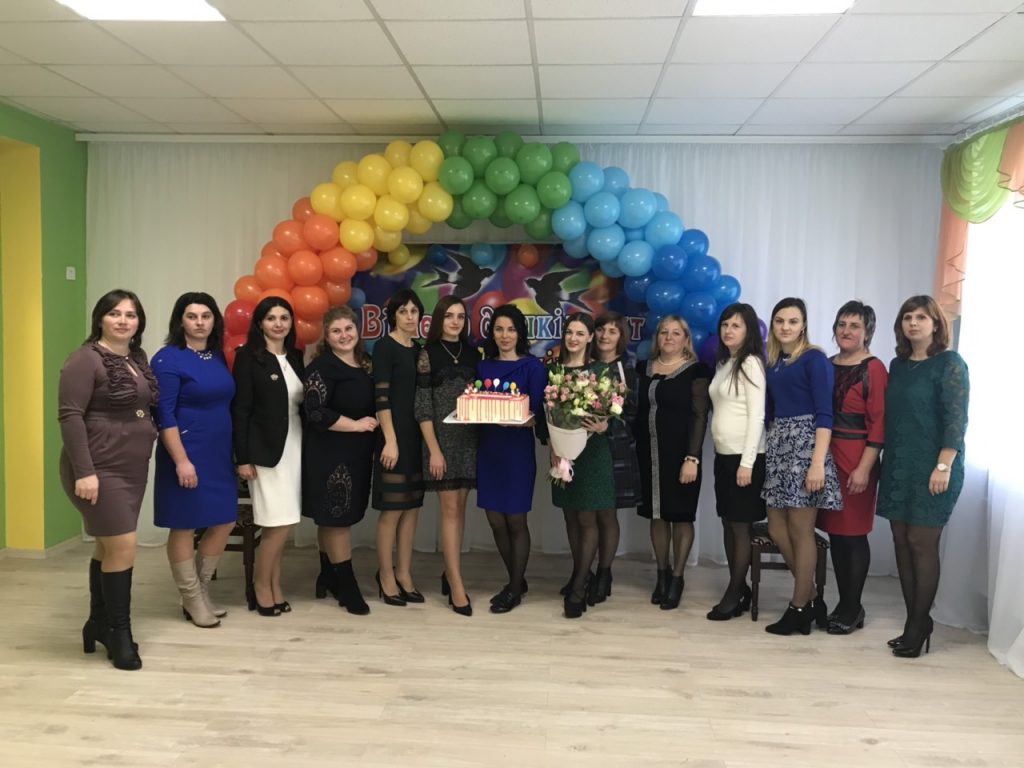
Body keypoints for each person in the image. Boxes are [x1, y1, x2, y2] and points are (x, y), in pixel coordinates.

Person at [58, 289, 159, 671]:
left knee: (107, 546)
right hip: (99, 467)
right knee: (124, 546)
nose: (123, 320)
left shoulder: (135, 358)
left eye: (130, 315)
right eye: (114, 313)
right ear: (100, 318)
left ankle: (97, 623)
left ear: (139, 322)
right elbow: (70, 416)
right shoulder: (84, 359)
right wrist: (85, 472)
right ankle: (119, 632)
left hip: (132, 468)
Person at [877, 295, 969, 658]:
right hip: (899, 463)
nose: (913, 323)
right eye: (907, 317)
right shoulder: (898, 365)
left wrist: (943, 465)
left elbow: (956, 420)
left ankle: (918, 625)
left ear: (935, 324)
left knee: (921, 542)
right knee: (900, 540)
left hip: (936, 466)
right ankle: (914, 621)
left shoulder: (950, 363)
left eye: (921, 317)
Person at [152, 292, 238, 629]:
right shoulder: (167, 359)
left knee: (224, 520)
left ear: (215, 320)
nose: (200, 322)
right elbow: (164, 415)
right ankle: (190, 596)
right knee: (185, 524)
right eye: (192, 316)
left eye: (206, 315)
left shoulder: (216, 356)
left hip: (218, 453)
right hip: (186, 453)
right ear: (180, 321)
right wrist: (181, 461)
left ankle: (200, 592)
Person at [761, 297, 843, 635]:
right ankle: (811, 599)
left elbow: (825, 414)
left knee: (800, 529)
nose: (785, 327)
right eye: (780, 321)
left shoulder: (815, 359)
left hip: (807, 445)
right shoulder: (773, 362)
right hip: (779, 444)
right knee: (776, 528)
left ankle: (798, 607)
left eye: (792, 321)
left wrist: (817, 464)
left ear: (803, 325)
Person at [818, 301, 887, 635]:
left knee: (853, 535)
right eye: (841, 324)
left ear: (867, 332)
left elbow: (879, 424)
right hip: (827, 458)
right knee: (836, 534)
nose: (846, 331)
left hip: (858, 460)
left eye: (854, 325)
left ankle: (852, 607)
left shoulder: (874, 368)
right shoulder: (827, 364)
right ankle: (844, 603)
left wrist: (864, 469)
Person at [232, 297, 304, 617]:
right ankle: (260, 587)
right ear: (260, 323)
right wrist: (243, 458)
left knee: (285, 522)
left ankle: (275, 585)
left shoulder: (296, 357)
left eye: (284, 317)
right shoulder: (248, 358)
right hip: (264, 452)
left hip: (295, 447)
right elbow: (241, 410)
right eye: (271, 318)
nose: (278, 323)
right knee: (275, 522)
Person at [634, 315, 711, 611]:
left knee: (681, 516)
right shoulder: (644, 368)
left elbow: (700, 416)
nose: (669, 337)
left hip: (682, 456)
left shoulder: (696, 371)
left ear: (686, 339)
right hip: (649, 454)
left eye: (676, 333)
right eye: (664, 332)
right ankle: (662, 574)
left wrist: (692, 458)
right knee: (657, 515)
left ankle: (677, 578)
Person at [303, 306, 377, 617]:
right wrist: (356, 425)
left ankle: (328, 576)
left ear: (357, 330)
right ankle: (347, 587)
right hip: (329, 453)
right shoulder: (322, 367)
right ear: (327, 336)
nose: (344, 335)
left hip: (356, 453)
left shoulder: (364, 362)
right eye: (336, 331)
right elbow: (315, 411)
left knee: (333, 517)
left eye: (348, 328)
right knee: (336, 518)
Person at [476, 305, 548, 614]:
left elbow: (540, 415)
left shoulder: (533, 367)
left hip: (517, 451)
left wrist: (523, 420)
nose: (505, 335)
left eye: (511, 329)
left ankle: (514, 589)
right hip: (489, 449)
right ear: (492, 333)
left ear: (520, 334)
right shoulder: (483, 367)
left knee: (516, 519)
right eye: (499, 329)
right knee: (495, 519)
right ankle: (516, 579)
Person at [415, 295, 481, 617]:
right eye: (449, 316)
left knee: (460, 508)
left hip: (469, 441)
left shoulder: (473, 354)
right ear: (439, 320)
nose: (455, 321)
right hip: (440, 443)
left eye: (460, 316)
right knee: (450, 509)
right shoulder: (427, 355)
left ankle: (449, 571)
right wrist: (434, 451)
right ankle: (456, 584)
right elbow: (423, 407)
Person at [549, 313, 616, 619]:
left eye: (580, 333)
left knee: (587, 518)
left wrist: (605, 425)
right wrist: (553, 449)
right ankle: (581, 572)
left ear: (591, 337)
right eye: (569, 332)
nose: (573, 338)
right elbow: (548, 415)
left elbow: (615, 412)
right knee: (570, 516)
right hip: (562, 454)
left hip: (593, 454)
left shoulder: (601, 371)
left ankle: (577, 588)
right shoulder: (555, 371)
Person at [706, 303, 766, 621]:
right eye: (725, 324)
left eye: (736, 325)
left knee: (741, 526)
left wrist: (747, 463)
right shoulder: (725, 363)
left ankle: (734, 593)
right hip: (724, 456)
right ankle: (740, 588)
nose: (728, 330)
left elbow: (757, 416)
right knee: (728, 523)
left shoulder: (751, 363)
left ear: (749, 331)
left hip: (745, 460)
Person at [372, 289, 426, 606]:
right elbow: (381, 397)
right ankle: (385, 576)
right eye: (403, 311)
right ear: (393, 315)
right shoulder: (384, 347)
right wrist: (390, 440)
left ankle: (404, 573)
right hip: (393, 438)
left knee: (411, 509)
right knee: (391, 511)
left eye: (413, 311)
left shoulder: (418, 349)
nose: (409, 316)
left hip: (416, 437)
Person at [588, 311, 640, 605]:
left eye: (612, 331)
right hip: (584, 449)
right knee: (587, 513)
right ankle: (583, 571)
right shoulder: (585, 365)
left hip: (614, 449)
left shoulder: (627, 369)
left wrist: (608, 425)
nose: (605, 336)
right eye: (601, 330)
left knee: (607, 513)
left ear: (621, 336)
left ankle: (604, 572)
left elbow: (633, 414)